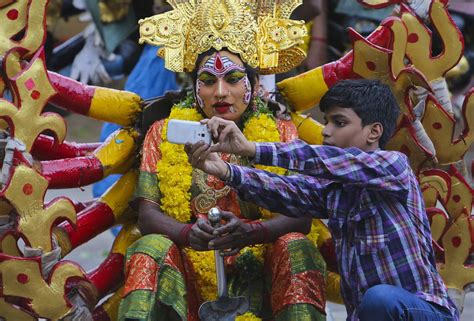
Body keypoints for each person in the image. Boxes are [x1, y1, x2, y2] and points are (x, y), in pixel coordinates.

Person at [118, 1, 327, 320]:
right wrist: (190, 235)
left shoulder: (280, 132)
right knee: (149, 248)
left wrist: (251, 231)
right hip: (189, 272)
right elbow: (148, 216)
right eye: (207, 80)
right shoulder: (164, 133)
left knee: (296, 244)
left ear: (255, 86)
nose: (220, 92)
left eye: (232, 79)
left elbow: (300, 218)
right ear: (194, 86)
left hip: (261, 268)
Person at [186, 79, 460, 321]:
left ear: (374, 132)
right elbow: (286, 189)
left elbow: (323, 160)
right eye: (326, 121)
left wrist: (252, 149)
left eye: (339, 122)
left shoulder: (394, 166)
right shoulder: (334, 190)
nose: (326, 131)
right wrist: (225, 170)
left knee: (380, 299)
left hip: (427, 313)